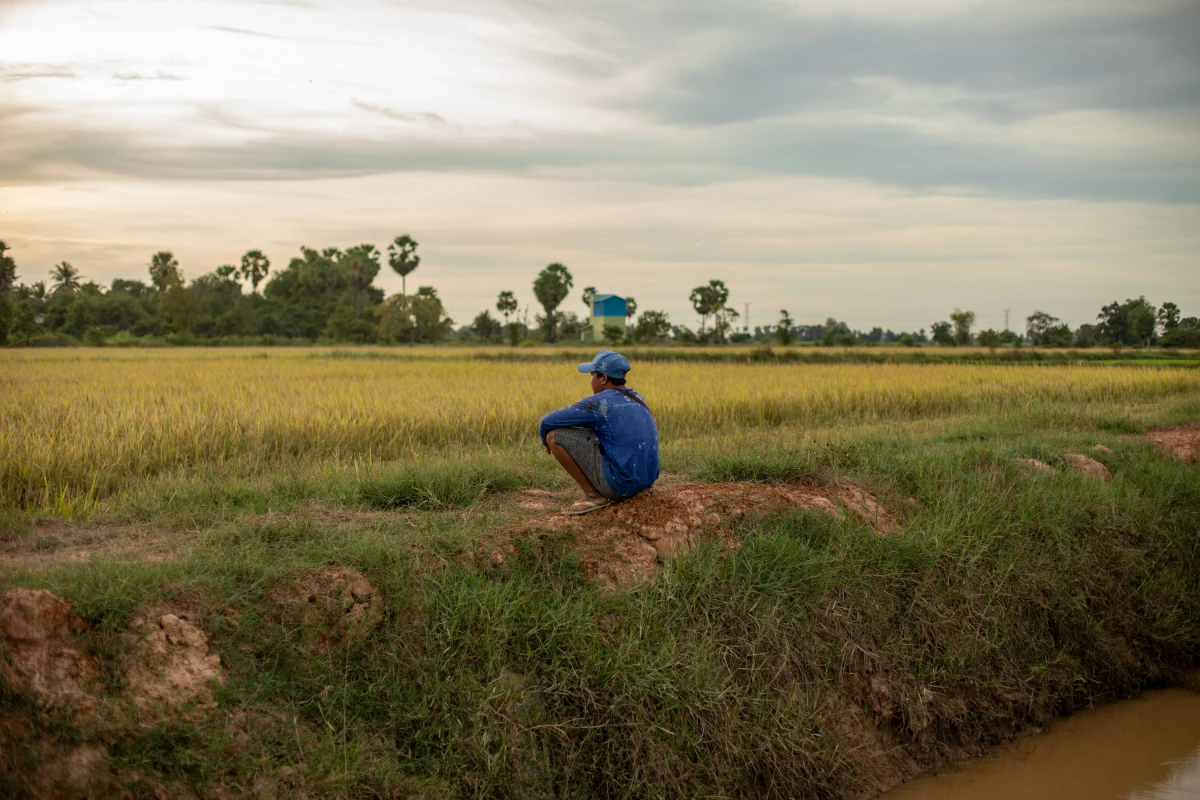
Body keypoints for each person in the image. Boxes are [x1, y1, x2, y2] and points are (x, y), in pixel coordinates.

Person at [538, 350, 660, 515]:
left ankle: (593, 495)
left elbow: (547, 421)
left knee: (554, 435)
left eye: (592, 375)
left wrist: (546, 442)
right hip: (646, 481)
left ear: (603, 378)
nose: (590, 380)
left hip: (620, 486)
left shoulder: (600, 403)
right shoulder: (637, 397)